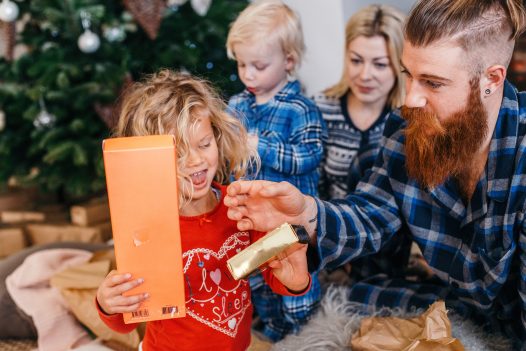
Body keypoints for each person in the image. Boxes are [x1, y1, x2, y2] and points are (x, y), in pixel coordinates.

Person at [224, 0, 526, 348]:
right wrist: (308, 214)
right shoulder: (407, 129)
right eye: (408, 75)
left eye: (433, 83)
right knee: (355, 297)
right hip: (458, 304)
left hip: (514, 321)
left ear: (492, 79)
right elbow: (370, 214)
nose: (410, 98)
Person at [95, 70, 311, 351]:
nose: (195, 161)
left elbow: (276, 275)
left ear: (217, 138)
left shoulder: (239, 207)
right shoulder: (147, 226)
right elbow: (129, 319)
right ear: (149, 159)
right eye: (180, 153)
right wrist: (108, 304)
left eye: (204, 144)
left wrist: (296, 281)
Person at [225, 0, 325, 342]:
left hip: (289, 221)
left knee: (295, 283)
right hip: (249, 219)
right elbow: (226, 153)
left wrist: (258, 145)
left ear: (289, 61)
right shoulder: (236, 105)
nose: (248, 74)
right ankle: (272, 334)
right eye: (241, 64)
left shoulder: (301, 109)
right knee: (257, 281)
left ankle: (304, 336)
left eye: (258, 65)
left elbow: (309, 156)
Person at [315, 4, 414, 284]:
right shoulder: (321, 110)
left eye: (380, 64)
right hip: (330, 239)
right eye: (356, 60)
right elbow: (314, 189)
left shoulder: (407, 121)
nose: (365, 74)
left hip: (385, 249)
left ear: (399, 65)